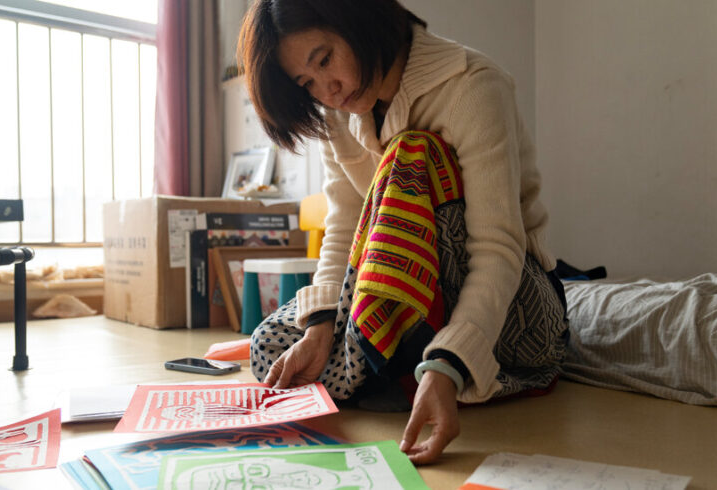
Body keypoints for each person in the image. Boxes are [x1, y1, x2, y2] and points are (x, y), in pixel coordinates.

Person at [237, 0, 569, 465]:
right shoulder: (337, 114)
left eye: (325, 60)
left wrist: (449, 363)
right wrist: (319, 326)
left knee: (409, 155)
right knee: (271, 345)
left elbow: (498, 249)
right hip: (400, 297)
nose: (328, 91)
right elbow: (343, 226)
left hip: (515, 309)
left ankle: (416, 369)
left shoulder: (472, 84)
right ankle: (392, 367)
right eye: (307, 83)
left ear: (360, 19)